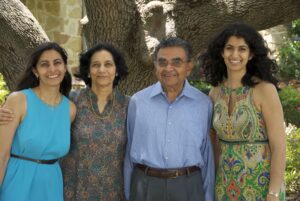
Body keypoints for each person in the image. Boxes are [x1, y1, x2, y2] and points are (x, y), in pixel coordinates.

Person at [200, 22, 286, 201]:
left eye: (242, 49)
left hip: (261, 187)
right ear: (222, 52)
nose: (235, 55)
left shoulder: (264, 90)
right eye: (229, 48)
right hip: (224, 186)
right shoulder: (215, 93)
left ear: (251, 54)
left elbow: (279, 147)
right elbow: (215, 145)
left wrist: (274, 192)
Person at [124, 37, 215, 201]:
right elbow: (129, 152)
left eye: (176, 62)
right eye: (162, 62)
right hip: (145, 186)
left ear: (189, 67)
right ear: (155, 66)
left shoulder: (203, 104)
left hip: (188, 186)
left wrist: (208, 197)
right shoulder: (138, 102)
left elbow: (208, 156)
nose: (168, 68)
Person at [0, 42, 76, 201]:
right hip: (17, 181)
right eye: (44, 64)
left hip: (51, 184)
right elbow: (2, 154)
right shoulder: (19, 100)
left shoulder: (70, 109)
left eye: (57, 63)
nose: (52, 69)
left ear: (64, 67)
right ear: (35, 71)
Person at [61, 43, 129, 200]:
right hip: (73, 191)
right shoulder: (70, 101)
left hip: (114, 193)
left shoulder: (129, 105)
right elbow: (42, 121)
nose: (102, 70)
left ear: (117, 70)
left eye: (108, 64)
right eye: (96, 65)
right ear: (88, 71)